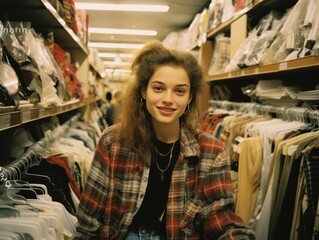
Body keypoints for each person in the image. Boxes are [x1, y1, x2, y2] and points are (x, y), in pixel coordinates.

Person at [74, 41, 255, 239]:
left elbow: (220, 219)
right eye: (159, 88)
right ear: (144, 91)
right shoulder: (114, 142)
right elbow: (89, 221)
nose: (168, 99)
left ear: (189, 97)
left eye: (179, 91)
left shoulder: (211, 153)